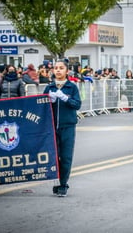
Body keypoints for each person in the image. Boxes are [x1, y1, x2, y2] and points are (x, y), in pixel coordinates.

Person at [44, 59, 81, 197]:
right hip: (52, 127)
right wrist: (48, 101)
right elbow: (41, 106)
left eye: (61, 68)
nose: (58, 70)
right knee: (54, 157)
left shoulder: (72, 87)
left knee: (65, 157)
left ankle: (63, 184)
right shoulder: (49, 88)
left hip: (68, 126)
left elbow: (77, 104)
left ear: (67, 71)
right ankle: (58, 182)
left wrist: (66, 99)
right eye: (56, 68)